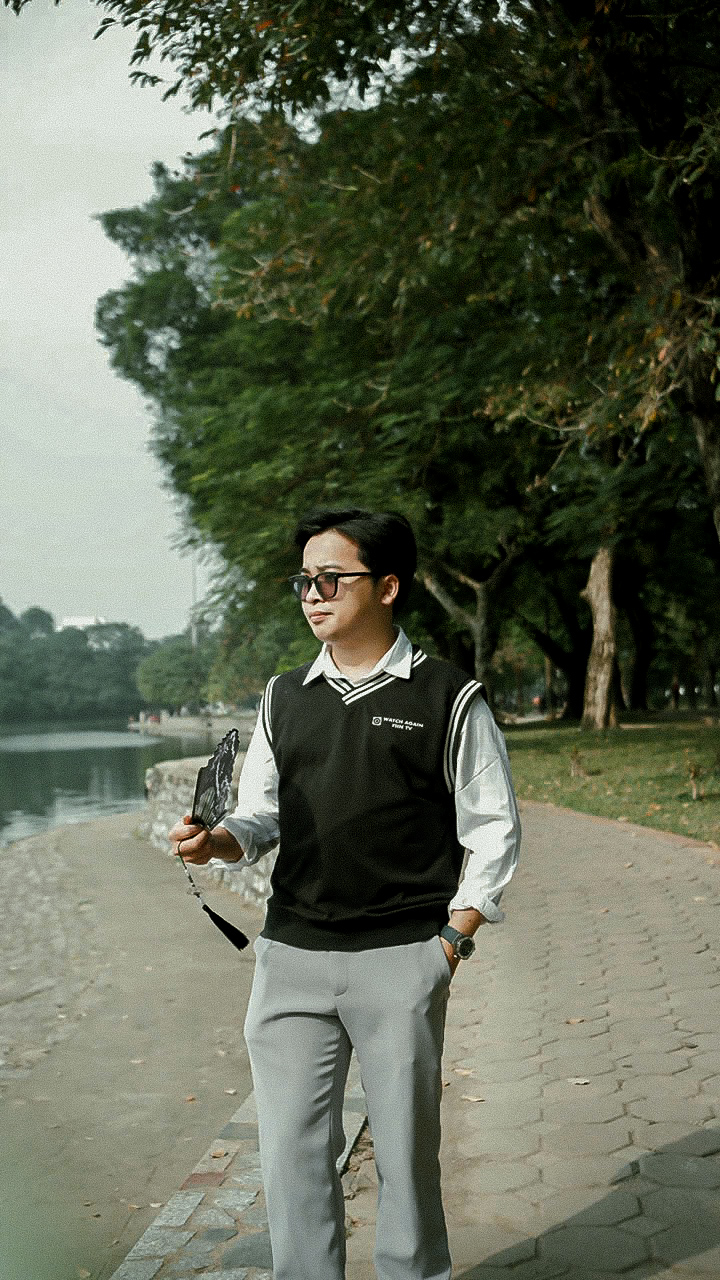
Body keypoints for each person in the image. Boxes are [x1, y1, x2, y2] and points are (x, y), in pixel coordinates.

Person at [169, 507, 521, 1280]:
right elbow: (261, 814)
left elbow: (493, 828)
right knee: (290, 1157)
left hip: (403, 957)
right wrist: (216, 841)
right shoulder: (283, 696)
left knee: (405, 1158)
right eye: (304, 581)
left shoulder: (448, 695)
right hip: (290, 957)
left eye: (330, 579)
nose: (312, 594)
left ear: (387, 586)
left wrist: (452, 941)